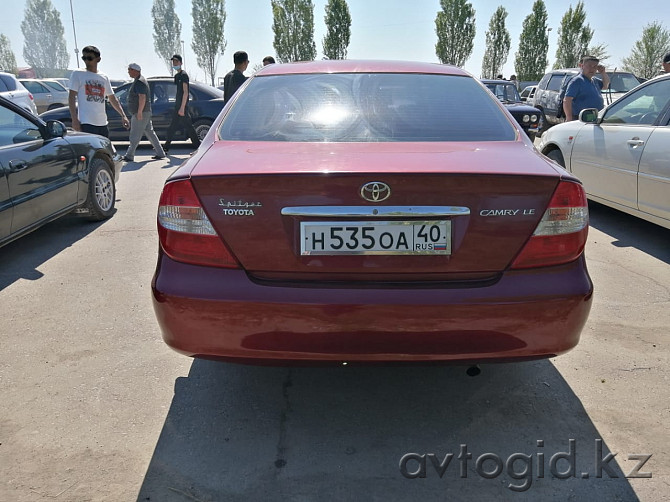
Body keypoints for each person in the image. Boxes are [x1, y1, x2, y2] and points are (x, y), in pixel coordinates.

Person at [68, 45, 129, 137]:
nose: (86, 61)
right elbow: (71, 97)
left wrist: (123, 116)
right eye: (84, 58)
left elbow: (112, 98)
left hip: (102, 123)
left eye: (89, 58)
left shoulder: (103, 77)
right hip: (86, 123)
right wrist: (74, 120)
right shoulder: (78, 74)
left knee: (103, 150)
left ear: (98, 59)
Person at [122, 63, 165, 162]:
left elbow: (142, 97)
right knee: (150, 132)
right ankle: (160, 152)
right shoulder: (140, 80)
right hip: (145, 111)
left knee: (135, 134)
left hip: (141, 112)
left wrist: (139, 112)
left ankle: (129, 155)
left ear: (135, 70)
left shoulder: (140, 82)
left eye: (129, 70)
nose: (128, 72)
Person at [163, 54, 200, 153]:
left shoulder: (184, 75)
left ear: (181, 63)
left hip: (182, 106)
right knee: (172, 127)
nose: (174, 64)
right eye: (173, 62)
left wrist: (182, 108)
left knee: (189, 127)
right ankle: (165, 147)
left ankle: (199, 148)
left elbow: (186, 92)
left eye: (176, 62)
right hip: (178, 105)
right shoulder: (177, 76)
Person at [563, 55, 610, 121]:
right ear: (582, 66)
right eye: (589, 66)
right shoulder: (577, 81)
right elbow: (567, 100)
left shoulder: (595, 80)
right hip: (581, 118)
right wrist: (569, 117)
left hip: (594, 116)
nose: (592, 69)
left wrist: (603, 73)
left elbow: (605, 86)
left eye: (595, 67)